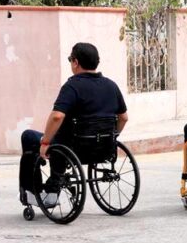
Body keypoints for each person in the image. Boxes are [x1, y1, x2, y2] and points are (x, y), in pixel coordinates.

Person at [19, 42, 128, 207]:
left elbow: (57, 116)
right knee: (62, 138)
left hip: (72, 148)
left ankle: (34, 192)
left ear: (75, 62)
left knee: (28, 136)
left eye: (71, 60)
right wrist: (110, 137)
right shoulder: (111, 86)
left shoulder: (72, 86)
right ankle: (53, 182)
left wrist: (45, 142)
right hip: (102, 148)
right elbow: (123, 118)